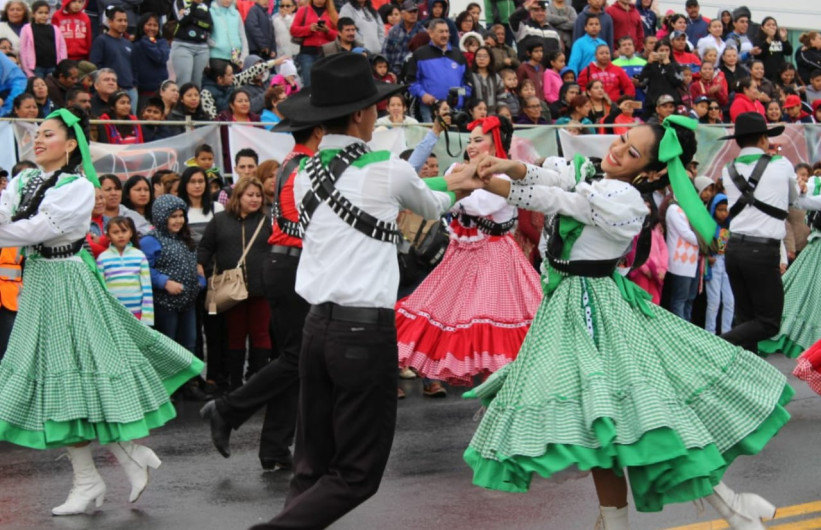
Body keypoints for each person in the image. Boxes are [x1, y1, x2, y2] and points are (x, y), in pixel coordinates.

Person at [463, 115, 791, 530]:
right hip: (571, 307)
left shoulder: (625, 200)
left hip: (594, 311)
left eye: (632, 152)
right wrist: (508, 167)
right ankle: (727, 508)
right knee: (605, 426)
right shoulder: (598, 178)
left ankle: (727, 508)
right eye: (621, 140)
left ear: (651, 171)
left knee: (622, 423)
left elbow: (559, 200)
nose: (617, 150)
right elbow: (555, 177)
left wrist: (488, 181)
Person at [249, 53, 479, 530]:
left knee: (311, 463)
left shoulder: (304, 169)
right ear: (359, 114)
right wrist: (459, 185)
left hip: (317, 326)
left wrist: (442, 184)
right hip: (362, 332)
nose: (379, 114)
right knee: (357, 473)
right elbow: (431, 204)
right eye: (376, 107)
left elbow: (379, 195)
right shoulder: (386, 169)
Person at [0, 107, 203, 515]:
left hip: (69, 284)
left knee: (76, 377)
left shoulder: (77, 187)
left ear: (71, 144)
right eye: (36, 134)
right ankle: (110, 467)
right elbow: (10, 218)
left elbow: (35, 230)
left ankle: (102, 473)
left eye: (49, 134)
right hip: (40, 283)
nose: (38, 139)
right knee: (60, 382)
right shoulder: (23, 179)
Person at [200, 120, 323, 472]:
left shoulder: (292, 162)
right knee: (297, 357)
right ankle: (227, 409)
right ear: (318, 132)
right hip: (292, 265)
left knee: (294, 360)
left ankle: (274, 447)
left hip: (287, 265)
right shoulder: (307, 166)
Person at [397, 114, 542, 388]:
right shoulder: (457, 169)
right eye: (470, 139)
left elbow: (478, 205)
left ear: (495, 142)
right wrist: (455, 185)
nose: (472, 145)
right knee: (450, 320)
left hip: (495, 261)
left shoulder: (503, 175)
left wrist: (453, 189)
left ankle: (500, 399)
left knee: (493, 329)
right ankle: (485, 398)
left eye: (479, 139)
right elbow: (445, 203)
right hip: (461, 258)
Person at [719, 112, 803, 353]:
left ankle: (750, 384)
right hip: (762, 250)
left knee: (746, 320)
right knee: (768, 323)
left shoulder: (728, 168)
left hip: (734, 249)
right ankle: (718, 343)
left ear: (738, 141)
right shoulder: (782, 164)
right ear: (764, 139)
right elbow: (795, 199)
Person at [198, 177, 272, 390]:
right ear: (238, 196)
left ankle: (258, 383)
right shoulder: (220, 220)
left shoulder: (266, 221)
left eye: (258, 195)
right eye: (250, 195)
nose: (255, 199)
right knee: (235, 336)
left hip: (260, 288)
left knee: (261, 335)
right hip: (230, 290)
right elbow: (205, 248)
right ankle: (235, 384)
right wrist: (200, 267)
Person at [407, 18, 471, 123]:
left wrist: (458, 94)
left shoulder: (458, 55)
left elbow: (468, 85)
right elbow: (411, 81)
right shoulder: (420, 54)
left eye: (447, 31)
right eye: (441, 31)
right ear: (431, 33)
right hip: (430, 110)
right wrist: (422, 94)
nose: (445, 35)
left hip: (455, 111)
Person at [96, 216, 154, 325]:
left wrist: (147, 317)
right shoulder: (102, 258)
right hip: (114, 314)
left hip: (137, 314)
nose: (120, 235)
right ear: (108, 236)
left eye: (124, 231)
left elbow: (147, 288)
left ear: (131, 233)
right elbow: (100, 289)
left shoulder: (139, 256)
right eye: (115, 232)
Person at [89, 7, 136, 113]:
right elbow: (95, 66)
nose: (123, 23)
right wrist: (112, 83)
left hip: (131, 90)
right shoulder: (101, 41)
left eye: (125, 20)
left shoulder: (128, 43)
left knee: (131, 123)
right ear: (110, 22)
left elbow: (134, 66)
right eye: (119, 20)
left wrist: (134, 84)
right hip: (111, 91)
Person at [289, 0, 338, 87]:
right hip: (308, 53)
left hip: (327, 53)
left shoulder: (333, 13)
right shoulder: (303, 10)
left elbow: (338, 35)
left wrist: (327, 31)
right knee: (309, 84)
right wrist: (309, 29)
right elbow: (293, 30)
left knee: (327, 84)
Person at [704, 193, 733, 334]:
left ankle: (727, 333)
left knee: (729, 301)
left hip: (726, 262)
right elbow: (704, 244)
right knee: (714, 301)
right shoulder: (709, 226)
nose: (723, 213)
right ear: (713, 209)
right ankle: (710, 333)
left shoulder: (730, 226)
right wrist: (707, 257)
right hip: (713, 262)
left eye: (726, 210)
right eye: (720, 209)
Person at [170, 0, 213, 88]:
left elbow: (209, 25)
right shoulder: (179, 2)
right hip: (183, 45)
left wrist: (193, 20)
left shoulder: (204, 4)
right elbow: (181, 20)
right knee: (184, 82)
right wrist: (194, 4)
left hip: (202, 47)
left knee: (198, 83)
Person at [19, 0, 67, 79]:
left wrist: (62, 64)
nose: (43, 15)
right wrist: (27, 69)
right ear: (33, 14)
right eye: (40, 13)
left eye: (46, 13)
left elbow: (62, 47)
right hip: (36, 67)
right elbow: (23, 50)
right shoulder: (27, 29)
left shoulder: (54, 29)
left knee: (52, 88)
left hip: (53, 66)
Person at [132, 13, 170, 104]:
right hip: (143, 92)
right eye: (149, 25)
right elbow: (134, 68)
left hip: (160, 91)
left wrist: (146, 41)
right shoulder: (136, 45)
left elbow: (160, 57)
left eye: (155, 25)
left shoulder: (162, 42)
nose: (152, 28)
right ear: (142, 26)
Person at [752, 17, 792, 81]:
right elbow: (760, 54)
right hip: (766, 75)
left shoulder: (778, 40)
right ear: (762, 28)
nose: (771, 27)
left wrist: (784, 39)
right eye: (768, 25)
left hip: (779, 75)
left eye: (774, 25)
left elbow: (789, 52)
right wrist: (769, 38)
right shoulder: (758, 39)